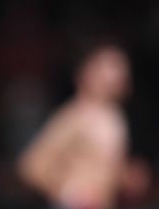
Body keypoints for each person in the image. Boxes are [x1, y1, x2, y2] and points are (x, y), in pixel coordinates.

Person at [17, 42, 150, 209]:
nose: (118, 74)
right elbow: (31, 166)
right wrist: (68, 193)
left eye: (121, 67)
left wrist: (126, 176)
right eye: (110, 66)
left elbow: (101, 168)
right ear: (88, 72)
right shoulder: (76, 115)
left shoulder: (115, 118)